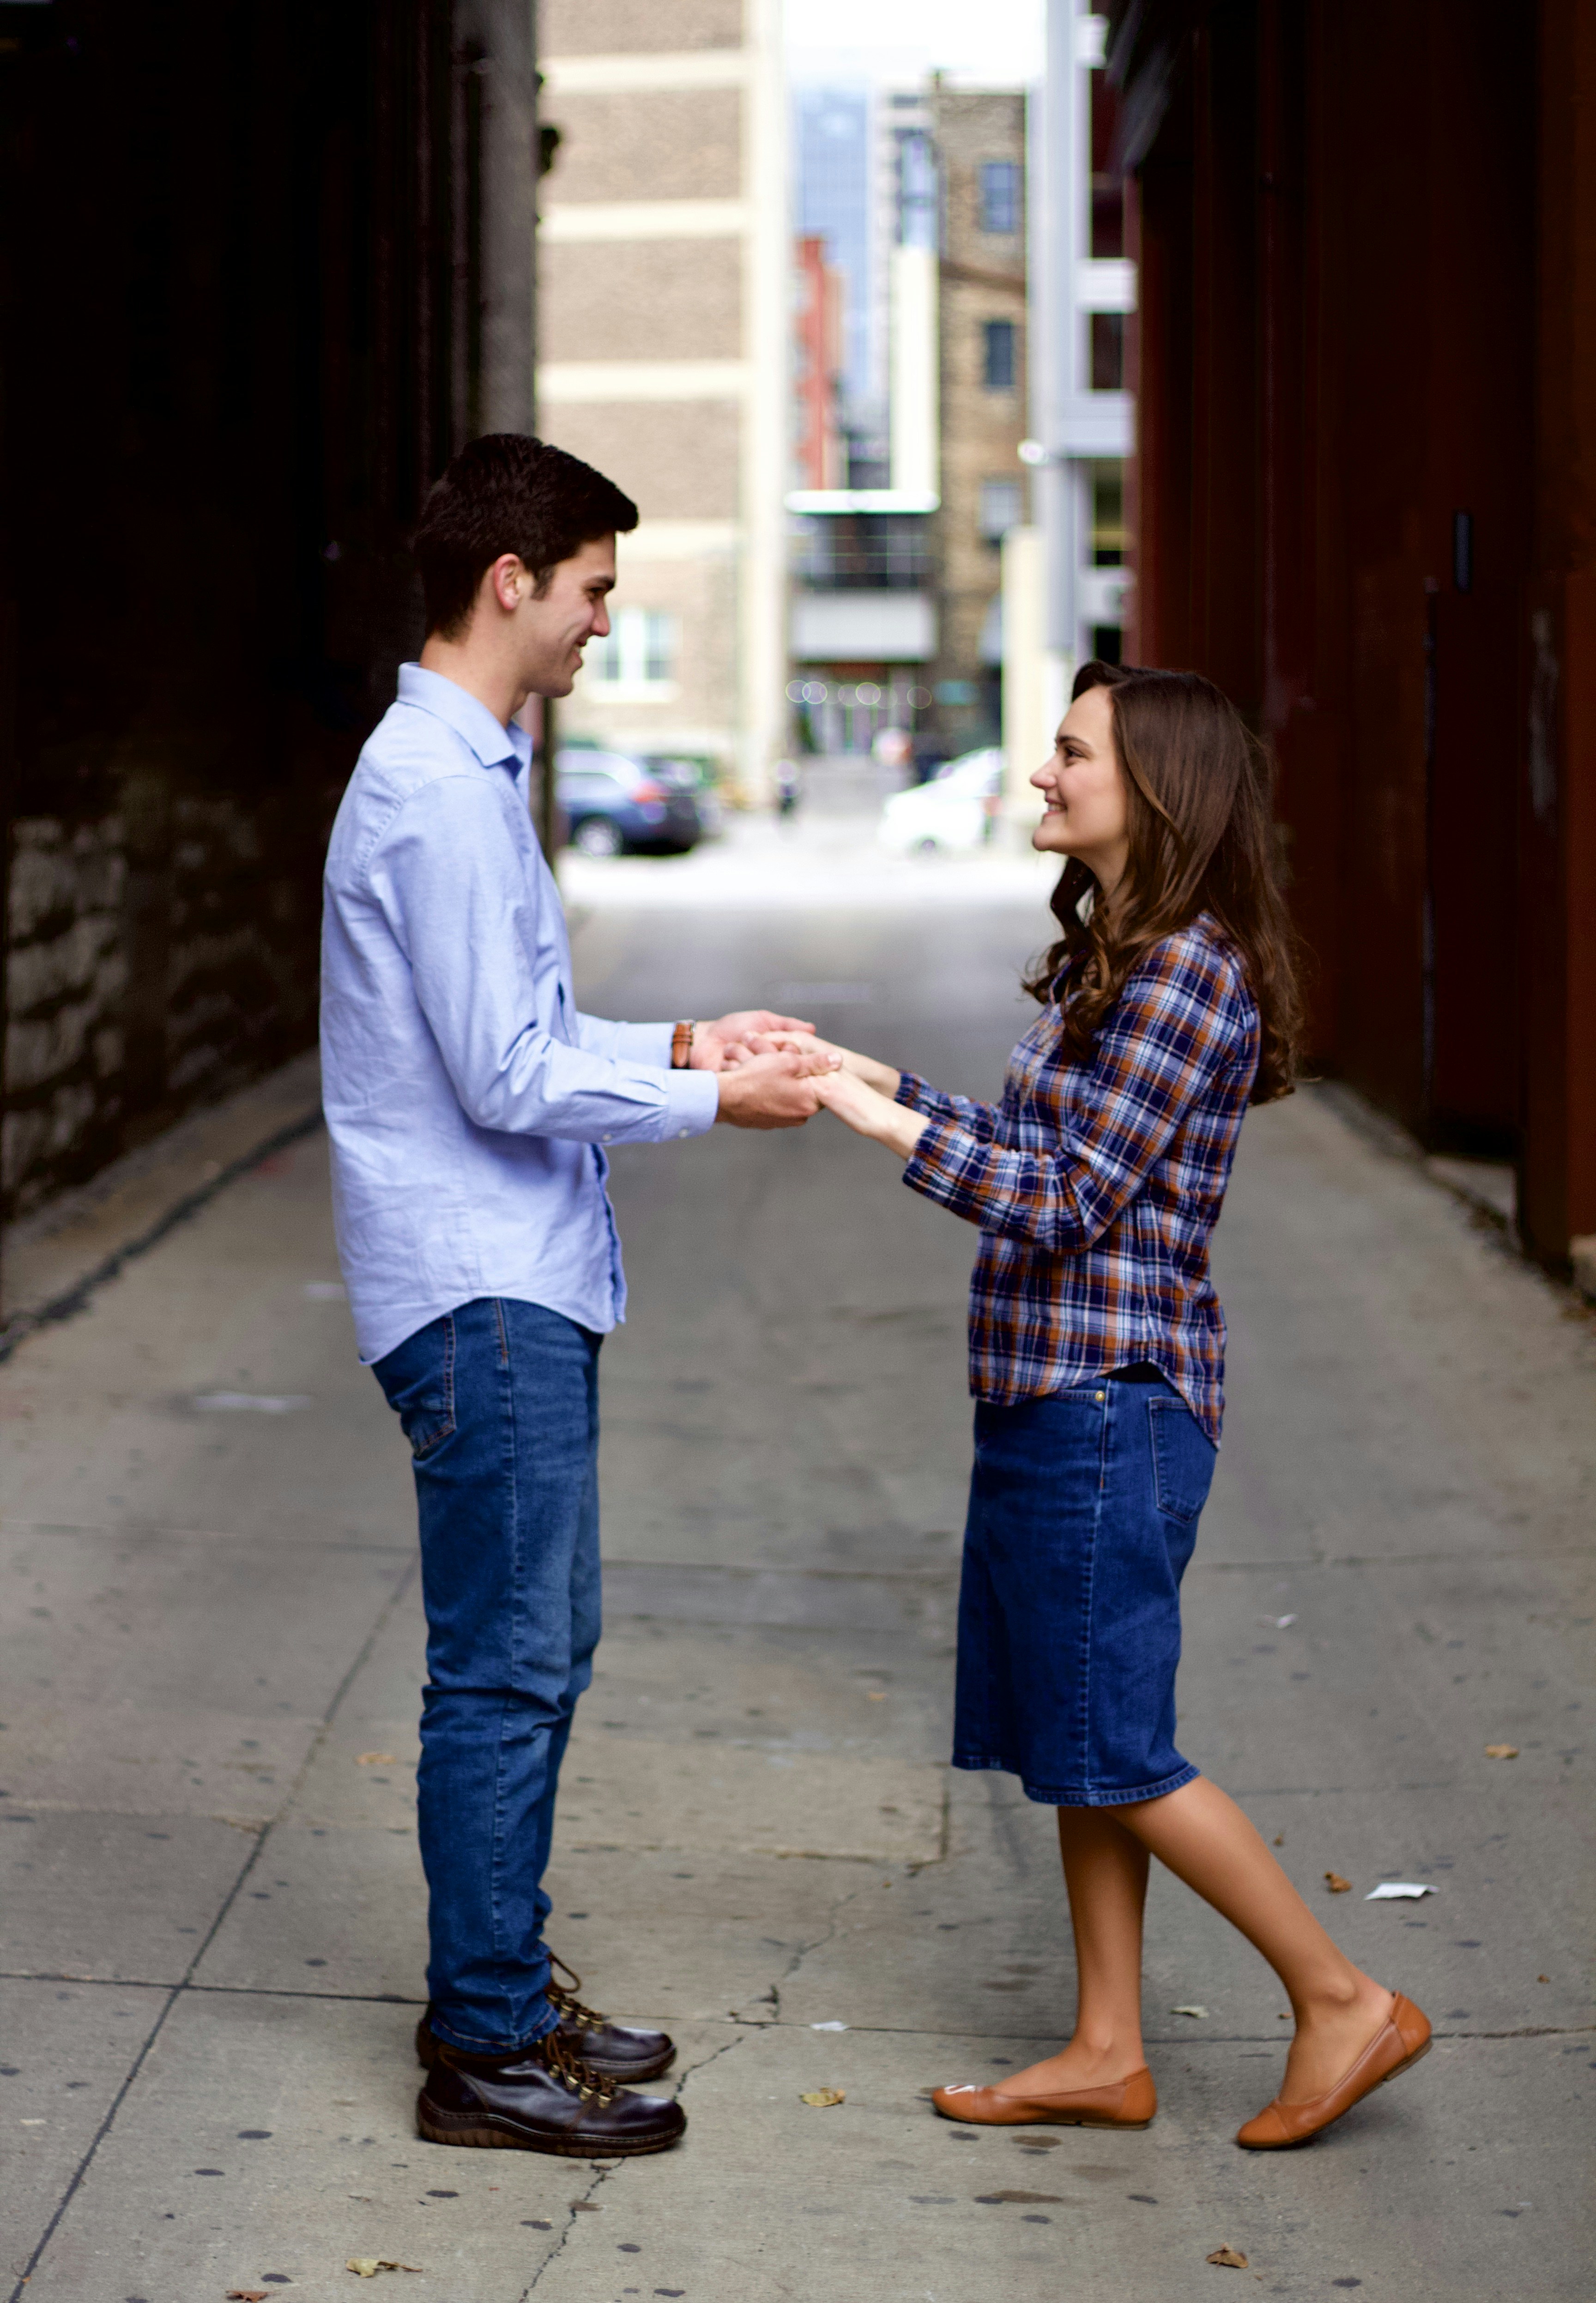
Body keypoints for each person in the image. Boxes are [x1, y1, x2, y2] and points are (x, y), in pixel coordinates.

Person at [799, 661, 1430, 2150]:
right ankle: (1104, 2049)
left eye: (1070, 752)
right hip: (1056, 1398)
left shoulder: (1184, 974)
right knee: (1084, 1741)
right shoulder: (1126, 960)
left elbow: (1065, 1199)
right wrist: (858, 1070)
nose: (1043, 773)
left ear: (1155, 788)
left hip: (1109, 1407)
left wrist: (866, 1117)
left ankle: (1342, 1999)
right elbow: (1039, 1142)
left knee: (1120, 1747)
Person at [320, 433, 833, 2158]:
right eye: (596, 589)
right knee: (506, 1669)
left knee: (544, 1652)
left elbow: (524, 1030)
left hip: (513, 1282)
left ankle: (499, 1985)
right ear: (512, 580)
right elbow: (504, 1077)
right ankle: (482, 2047)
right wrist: (716, 1103)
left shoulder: (470, 773)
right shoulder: (432, 788)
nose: (606, 621)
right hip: (480, 1292)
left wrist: (686, 1041)